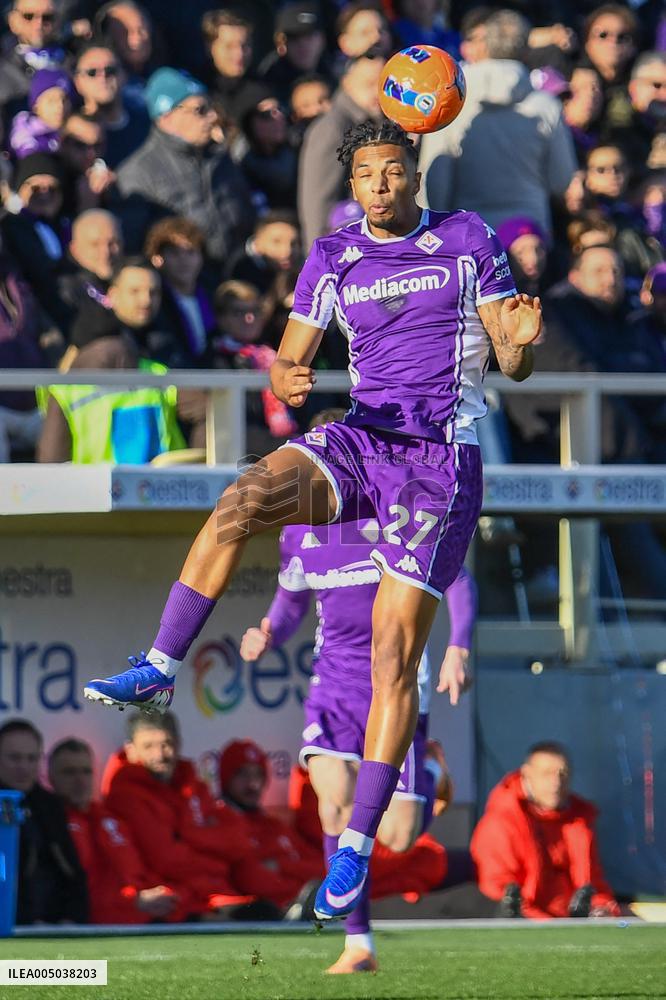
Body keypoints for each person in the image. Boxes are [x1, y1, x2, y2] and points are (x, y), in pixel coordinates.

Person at [84, 119, 542, 923]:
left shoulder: (468, 238)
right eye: (366, 174)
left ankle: (356, 847)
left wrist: (523, 347)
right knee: (241, 501)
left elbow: (511, 356)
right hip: (362, 439)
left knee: (395, 659)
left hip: (438, 462)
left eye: (393, 170)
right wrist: (289, 378)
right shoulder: (334, 255)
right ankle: (159, 663)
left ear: (414, 173)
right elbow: (291, 359)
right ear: (352, 183)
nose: (380, 184)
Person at [240, 413, 473, 971]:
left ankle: (429, 772)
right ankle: (357, 941)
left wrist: (457, 646)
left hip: (395, 680)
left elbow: (458, 577)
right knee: (334, 803)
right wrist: (269, 633)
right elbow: (290, 601)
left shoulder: (398, 513)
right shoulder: (299, 530)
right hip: (334, 683)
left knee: (397, 835)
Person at [102, 710, 281, 919]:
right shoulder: (126, 796)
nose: (160, 754)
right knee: (263, 915)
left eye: (166, 744)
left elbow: (240, 839)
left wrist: (187, 834)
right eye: (148, 746)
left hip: (216, 893)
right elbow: (166, 860)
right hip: (178, 903)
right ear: (131, 750)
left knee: (267, 912)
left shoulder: (192, 784)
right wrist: (216, 860)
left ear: (178, 743)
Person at [419, 9, 577, 236]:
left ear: (485, 45)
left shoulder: (450, 104)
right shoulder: (547, 106)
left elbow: (435, 178)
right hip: (529, 235)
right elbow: (561, 180)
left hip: (467, 234)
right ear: (526, 49)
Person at [116, 66, 253, 263]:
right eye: (200, 110)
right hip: (185, 275)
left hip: (237, 267)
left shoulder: (220, 157)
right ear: (166, 117)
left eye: (210, 107)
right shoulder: (138, 172)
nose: (213, 116)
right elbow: (138, 241)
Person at [471, 742, 620, 919]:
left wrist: (602, 909)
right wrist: (547, 925)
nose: (556, 782)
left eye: (562, 774)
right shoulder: (501, 822)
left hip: (573, 922)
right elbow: (500, 893)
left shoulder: (579, 820)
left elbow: (593, 883)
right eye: (546, 774)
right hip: (528, 925)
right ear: (526, 774)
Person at [48, 737, 189, 923]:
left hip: (142, 920)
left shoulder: (111, 819)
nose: (80, 780)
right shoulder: (51, 825)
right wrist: (133, 903)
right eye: (69, 772)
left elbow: (139, 873)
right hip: (94, 925)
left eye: (86, 772)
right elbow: (72, 892)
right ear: (50, 777)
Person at [215, 739, 324, 911]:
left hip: (297, 908)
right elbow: (250, 880)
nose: (252, 784)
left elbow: (323, 868)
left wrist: (282, 866)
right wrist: (298, 894)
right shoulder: (221, 824)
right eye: (242, 774)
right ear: (226, 778)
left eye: (258, 775)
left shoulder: (274, 826)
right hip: (260, 914)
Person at [0, 719, 88, 925]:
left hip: (55, 926)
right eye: (14, 758)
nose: (24, 767)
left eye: (31, 758)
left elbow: (71, 870)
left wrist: (72, 918)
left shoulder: (50, 806)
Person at [298, 48, 385, 247]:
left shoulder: (374, 123)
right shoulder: (333, 127)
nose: (377, 93)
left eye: (383, 85)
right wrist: (320, 257)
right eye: (369, 84)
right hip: (342, 251)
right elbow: (319, 201)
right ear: (346, 82)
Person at [72, 40, 150, 170]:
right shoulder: (72, 138)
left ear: (124, 76)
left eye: (110, 70)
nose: (102, 77)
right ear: (78, 82)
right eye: (92, 72)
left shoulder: (146, 126)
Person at [0, 0, 65, 121]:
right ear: (13, 21)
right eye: (28, 16)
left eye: (47, 17)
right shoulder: (3, 68)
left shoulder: (75, 62)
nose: (38, 23)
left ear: (57, 21)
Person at [257, 2, 329, 105]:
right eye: (294, 38)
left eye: (309, 36)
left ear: (322, 39)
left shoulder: (337, 74)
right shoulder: (267, 83)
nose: (302, 44)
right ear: (280, 44)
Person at [9, 67, 75, 158]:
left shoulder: (74, 131)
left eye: (65, 99)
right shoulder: (27, 140)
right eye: (51, 100)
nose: (60, 106)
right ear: (36, 106)